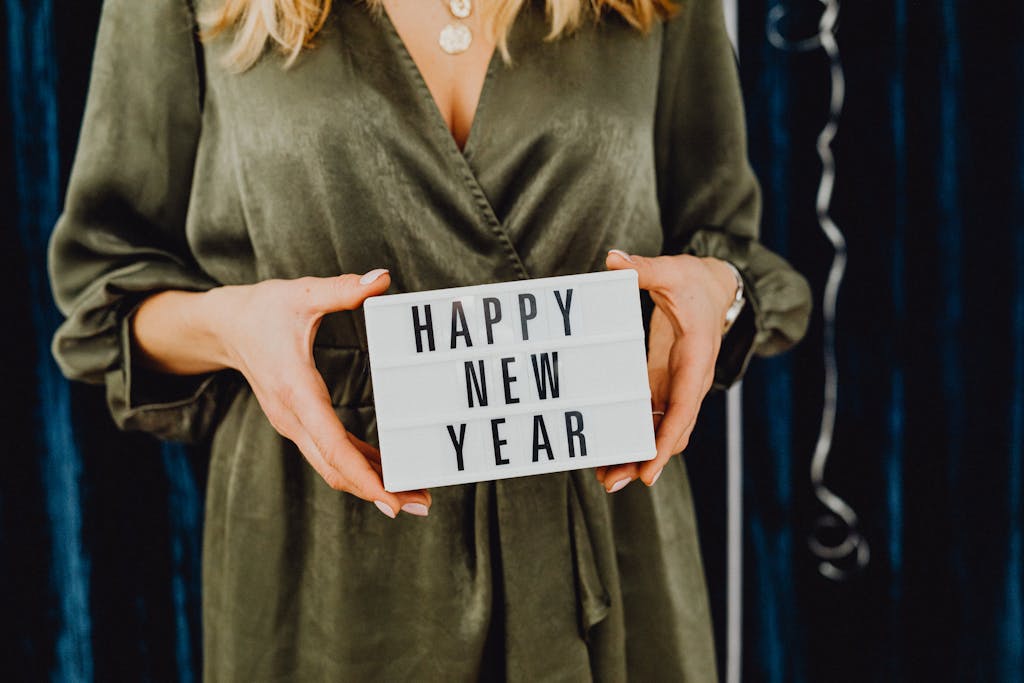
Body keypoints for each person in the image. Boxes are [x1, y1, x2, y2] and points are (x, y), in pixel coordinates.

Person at [47, 0, 812, 679]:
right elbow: (105, 297)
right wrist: (234, 329)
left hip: (607, 533)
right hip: (323, 560)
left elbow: (724, 243)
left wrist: (721, 292)